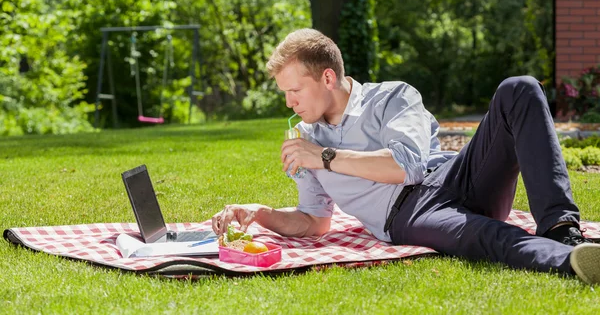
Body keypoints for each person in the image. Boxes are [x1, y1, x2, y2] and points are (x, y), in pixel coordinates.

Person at [212, 28, 600, 284]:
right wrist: (261, 213)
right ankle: (570, 260)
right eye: (284, 93)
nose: (288, 102)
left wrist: (325, 156)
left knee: (520, 88)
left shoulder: (392, 97)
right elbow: (315, 223)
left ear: (327, 78)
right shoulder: (305, 140)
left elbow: (408, 166)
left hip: (452, 177)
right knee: (481, 238)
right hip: (409, 215)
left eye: (294, 90)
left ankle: (560, 229)